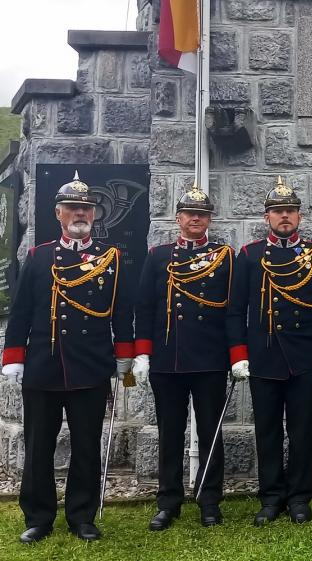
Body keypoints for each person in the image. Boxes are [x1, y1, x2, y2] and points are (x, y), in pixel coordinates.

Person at [1, 172, 134, 543]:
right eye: (73, 208)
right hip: (44, 366)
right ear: (59, 213)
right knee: (39, 446)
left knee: (87, 446)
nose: (80, 214)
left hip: (90, 368)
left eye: (86, 209)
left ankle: (81, 516)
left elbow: (123, 313)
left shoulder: (113, 259)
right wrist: (14, 357)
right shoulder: (39, 257)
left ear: (95, 214)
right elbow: (22, 312)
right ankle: (39, 517)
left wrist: (125, 356)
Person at [226, 176, 312, 525]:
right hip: (264, 356)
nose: (285, 217)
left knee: (303, 430)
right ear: (267, 217)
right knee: (267, 430)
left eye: (290, 210)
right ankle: (271, 496)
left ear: (300, 217)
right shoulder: (249, 255)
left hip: (305, 358)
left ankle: (299, 497)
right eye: (278, 211)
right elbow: (235, 310)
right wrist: (238, 354)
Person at [132, 185, 235, 530]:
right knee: (171, 433)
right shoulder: (158, 256)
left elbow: (233, 310)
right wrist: (143, 353)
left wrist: (236, 355)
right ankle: (168, 501)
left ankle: (210, 501)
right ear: (178, 218)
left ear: (209, 220)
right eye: (190, 213)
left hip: (209, 359)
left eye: (202, 214)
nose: (196, 218)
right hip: (167, 359)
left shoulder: (224, 256)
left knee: (210, 432)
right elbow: (144, 308)